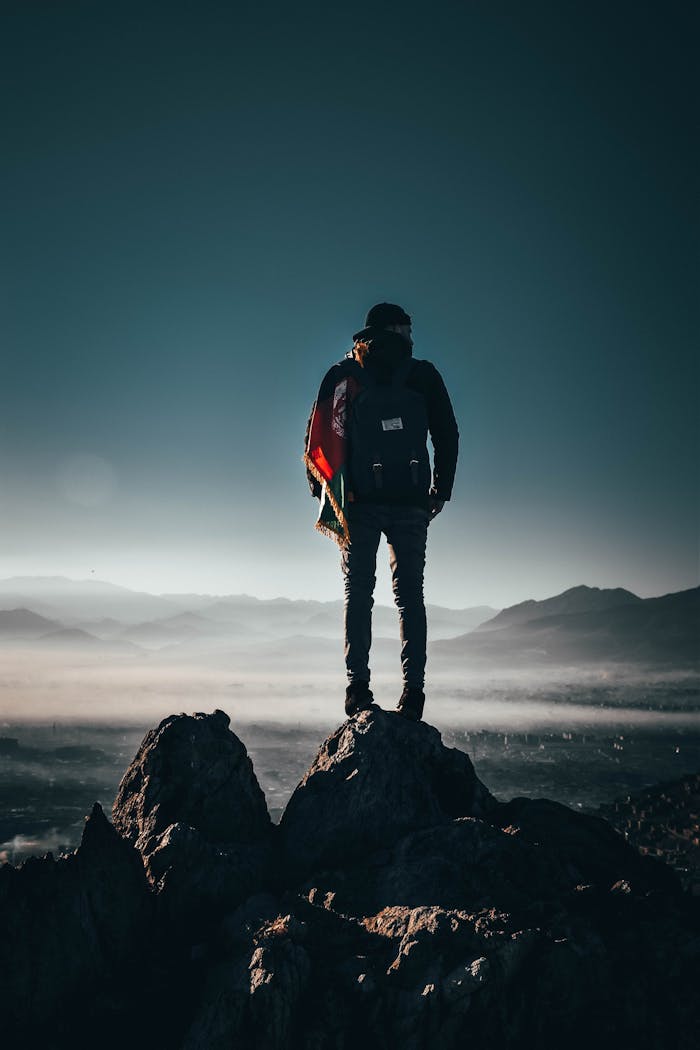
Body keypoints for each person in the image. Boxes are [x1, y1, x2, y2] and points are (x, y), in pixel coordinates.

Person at [303, 302, 459, 721]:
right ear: (397, 329)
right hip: (411, 502)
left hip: (358, 504)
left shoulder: (345, 374)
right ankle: (414, 694)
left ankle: (358, 690)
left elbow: (317, 436)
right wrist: (439, 490)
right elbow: (447, 432)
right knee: (410, 598)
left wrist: (323, 493)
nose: (412, 337)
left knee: (359, 596)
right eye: (408, 329)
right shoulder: (423, 374)